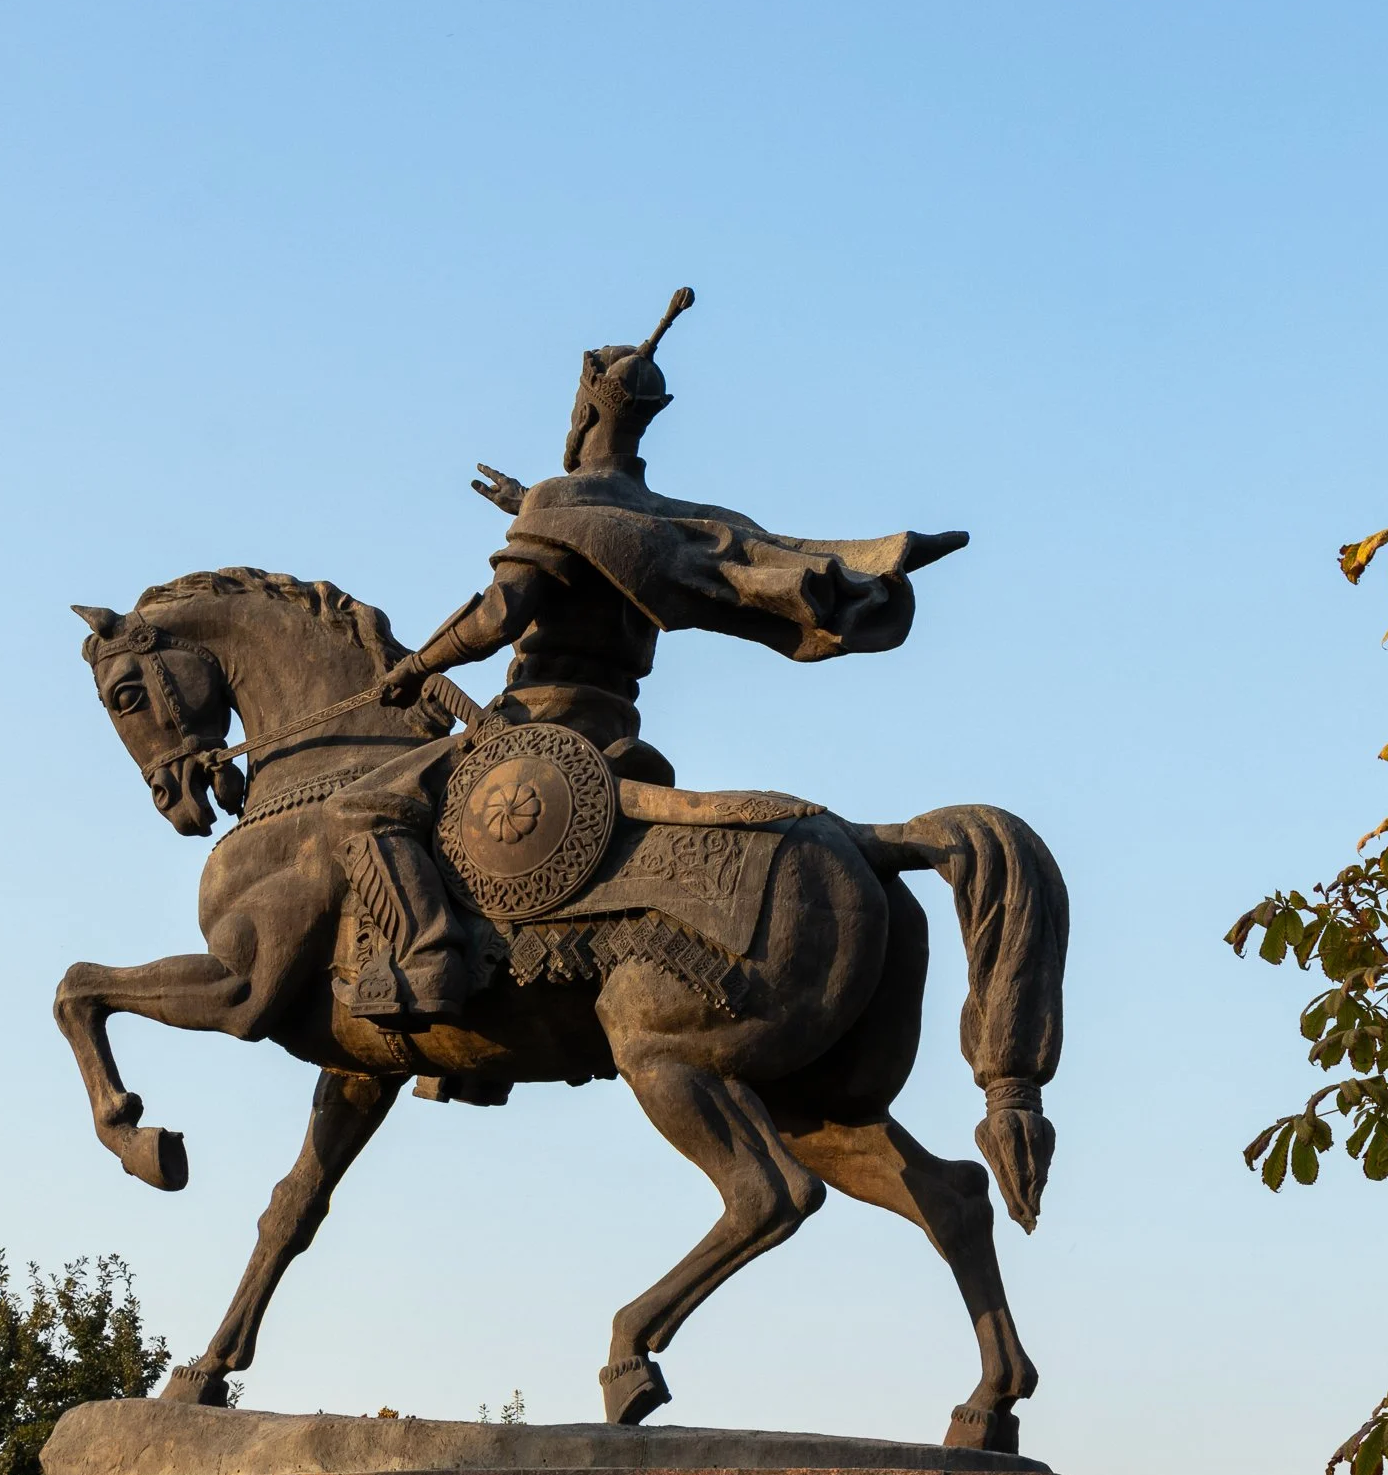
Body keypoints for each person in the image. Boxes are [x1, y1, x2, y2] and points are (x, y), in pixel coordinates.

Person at [327, 289, 967, 1029]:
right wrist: (528, 506)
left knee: (364, 805)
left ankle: (428, 959)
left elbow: (498, 614)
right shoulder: (655, 519)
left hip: (538, 729)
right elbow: (598, 538)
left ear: (585, 416)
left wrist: (414, 666)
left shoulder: (564, 506)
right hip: (615, 728)